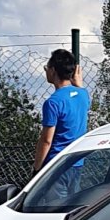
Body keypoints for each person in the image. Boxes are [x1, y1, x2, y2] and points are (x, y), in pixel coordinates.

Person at [34, 48, 89, 197]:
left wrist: (37, 169)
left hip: (56, 165)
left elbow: (46, 140)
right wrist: (78, 84)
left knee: (54, 207)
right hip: (77, 162)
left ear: (53, 70)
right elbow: (77, 95)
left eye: (46, 68)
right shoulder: (84, 95)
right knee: (71, 205)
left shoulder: (53, 102)